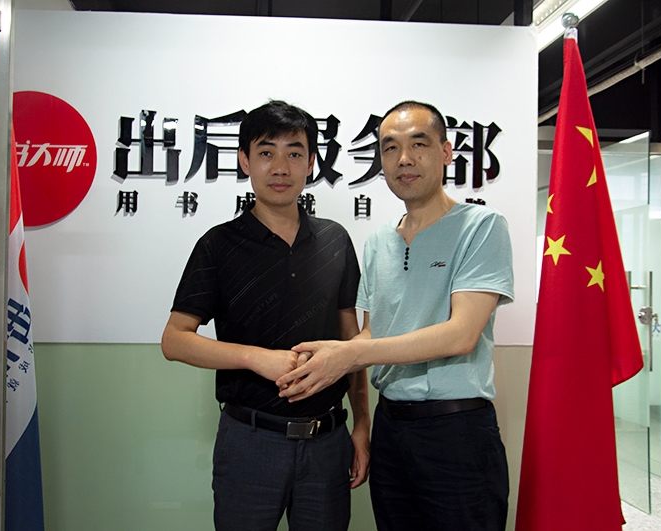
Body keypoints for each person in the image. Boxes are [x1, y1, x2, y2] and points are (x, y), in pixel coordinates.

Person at [276, 100, 514, 531]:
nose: (404, 159)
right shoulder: (378, 242)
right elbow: (374, 334)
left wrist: (349, 355)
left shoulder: (482, 226)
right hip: (391, 430)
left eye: (418, 144)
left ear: (446, 152)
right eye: (390, 148)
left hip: (456, 431)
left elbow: (461, 335)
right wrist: (325, 357)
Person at [161, 100, 370, 531]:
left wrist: (363, 425)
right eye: (266, 152)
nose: (280, 167)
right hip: (250, 442)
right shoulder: (218, 245)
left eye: (294, 153)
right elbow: (175, 339)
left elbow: (352, 343)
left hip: (328, 441)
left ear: (311, 163)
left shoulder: (335, 241)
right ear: (245, 160)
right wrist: (256, 357)